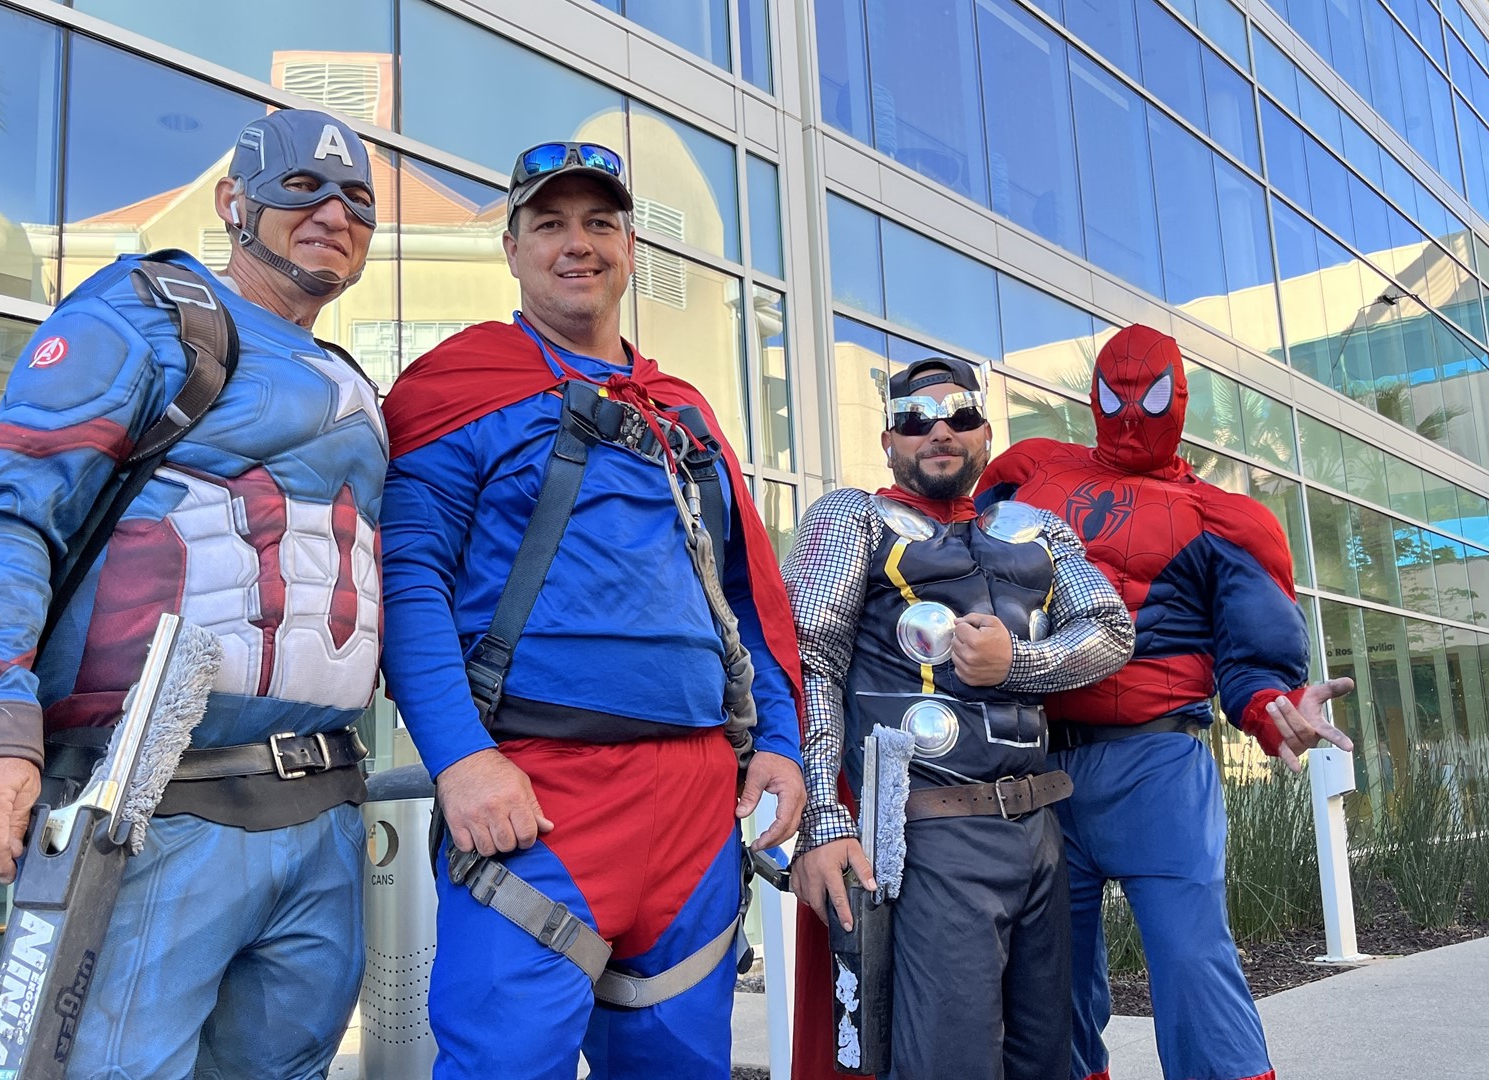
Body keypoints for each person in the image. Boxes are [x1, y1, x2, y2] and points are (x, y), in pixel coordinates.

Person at [0, 108, 386, 1076]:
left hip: (322, 813)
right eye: (301, 186)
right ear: (234, 203)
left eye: (357, 198)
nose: (332, 212)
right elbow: (8, 519)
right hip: (148, 805)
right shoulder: (147, 314)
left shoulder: (349, 379)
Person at [378, 140, 806, 1079]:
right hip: (536, 795)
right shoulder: (453, 390)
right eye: (551, 224)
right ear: (513, 248)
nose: (578, 243)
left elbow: (745, 597)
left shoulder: (683, 410)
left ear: (630, 248)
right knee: (504, 1064)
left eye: (600, 222)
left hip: (697, 804)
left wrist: (780, 739)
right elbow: (406, 588)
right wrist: (460, 758)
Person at [976, 323, 1354, 1080]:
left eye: (1146, 396)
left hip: (1160, 760)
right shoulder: (1029, 473)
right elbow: (957, 565)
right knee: (1053, 981)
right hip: (1042, 761)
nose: (1129, 413)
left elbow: (1252, 657)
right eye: (1114, 394)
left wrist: (1274, 707)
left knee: (1191, 960)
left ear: (1178, 398)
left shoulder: (1229, 519)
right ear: (1091, 393)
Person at [783, 356, 1135, 1079]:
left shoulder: (1038, 529)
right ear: (888, 440)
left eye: (960, 416)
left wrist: (1019, 665)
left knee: (1046, 1060)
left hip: (1038, 829)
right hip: (926, 835)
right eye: (916, 419)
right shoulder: (851, 517)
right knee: (950, 1061)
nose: (939, 430)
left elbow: (1111, 630)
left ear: (985, 433)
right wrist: (825, 818)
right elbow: (804, 661)